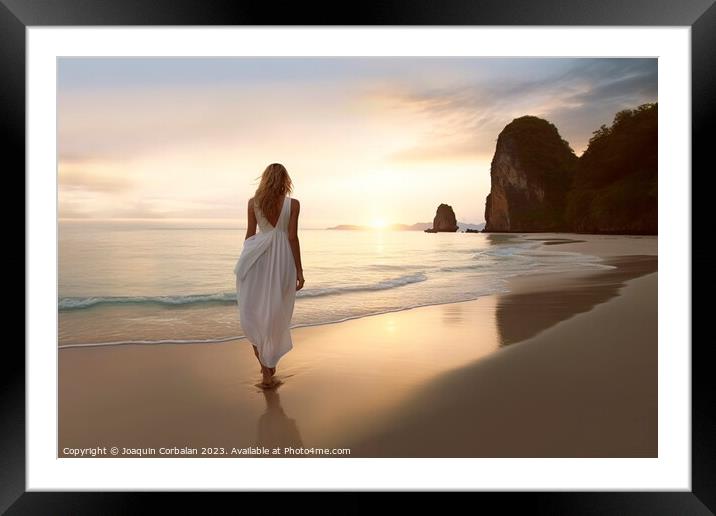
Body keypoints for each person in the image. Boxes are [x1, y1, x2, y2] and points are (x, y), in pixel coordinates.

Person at [234, 163, 305, 388]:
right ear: (285, 180)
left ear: (264, 179)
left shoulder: (252, 203)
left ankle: (266, 368)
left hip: (255, 258)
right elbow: (292, 237)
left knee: (253, 312)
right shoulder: (293, 204)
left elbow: (249, 235)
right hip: (283, 259)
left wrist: (244, 263)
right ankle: (269, 364)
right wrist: (300, 270)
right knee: (275, 312)